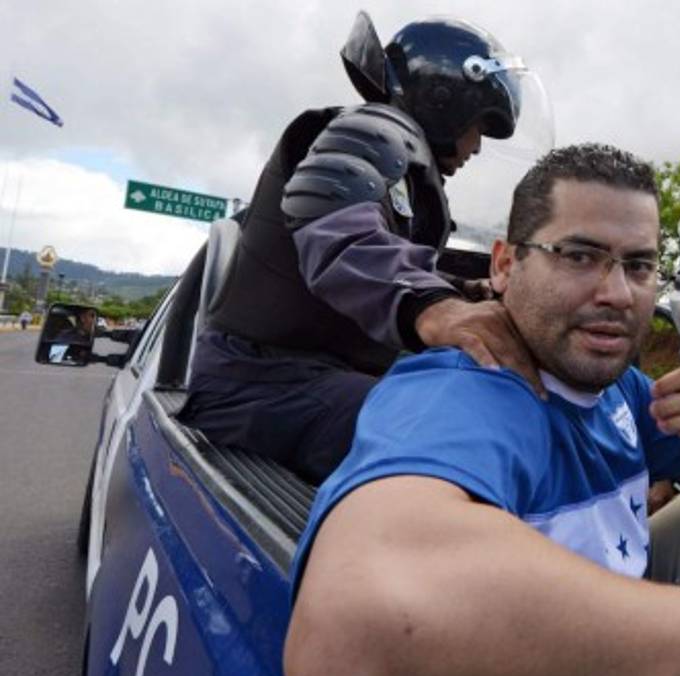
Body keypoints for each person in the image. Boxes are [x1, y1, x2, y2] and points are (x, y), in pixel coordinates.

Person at [283, 144, 680, 676]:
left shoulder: (621, 390)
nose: (617, 292)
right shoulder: (462, 394)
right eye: (580, 255)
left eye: (639, 265)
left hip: (619, 613)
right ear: (506, 265)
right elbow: (345, 645)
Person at [180, 13, 548, 483]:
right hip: (260, 385)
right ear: (443, 100)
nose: (476, 146)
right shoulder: (371, 130)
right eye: (478, 125)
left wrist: (472, 292)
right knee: (463, 432)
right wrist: (434, 309)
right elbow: (333, 224)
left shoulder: (407, 174)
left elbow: (390, 260)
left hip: (307, 381)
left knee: (478, 407)